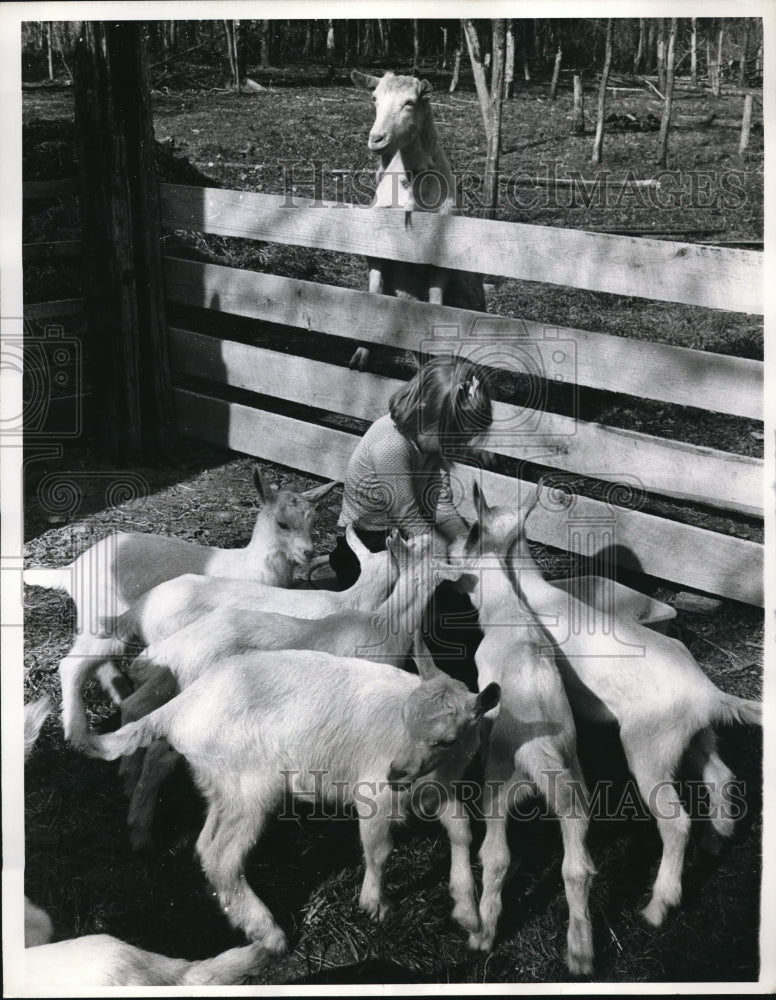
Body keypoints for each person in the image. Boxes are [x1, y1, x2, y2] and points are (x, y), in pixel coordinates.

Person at [329, 354, 493, 687]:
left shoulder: (429, 446)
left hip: (410, 541)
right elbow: (407, 515)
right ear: (425, 415)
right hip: (369, 548)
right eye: (454, 437)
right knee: (428, 614)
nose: (459, 446)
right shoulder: (390, 444)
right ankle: (437, 683)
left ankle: (468, 680)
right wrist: (451, 565)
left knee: (460, 606)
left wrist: (468, 546)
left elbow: (441, 506)